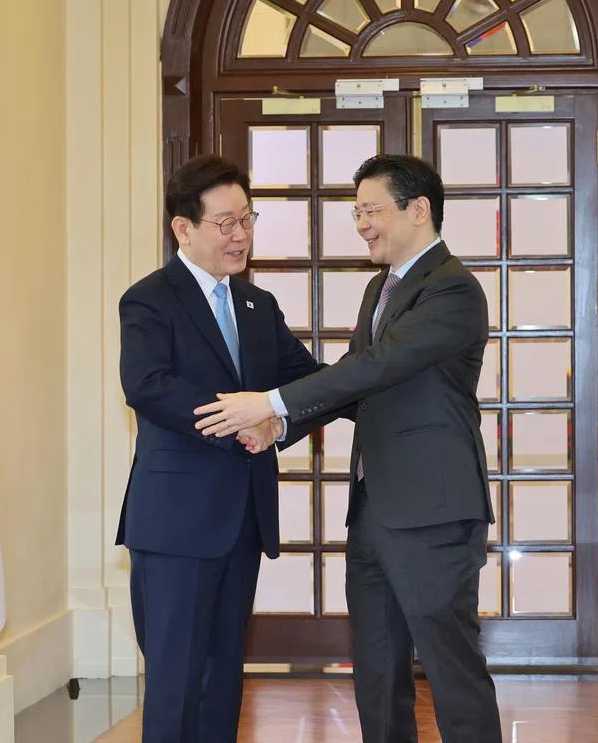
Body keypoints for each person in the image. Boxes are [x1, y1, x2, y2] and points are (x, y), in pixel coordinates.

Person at [193, 154, 503, 742]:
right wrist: (281, 428)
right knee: (378, 673)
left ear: (419, 210)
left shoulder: (453, 289)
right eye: (356, 211)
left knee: (451, 670)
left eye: (371, 210)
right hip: (374, 512)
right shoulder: (380, 288)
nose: (361, 224)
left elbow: (380, 366)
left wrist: (271, 402)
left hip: (434, 513)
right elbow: (358, 377)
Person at [116, 154, 325, 743]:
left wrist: (279, 422)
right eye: (224, 223)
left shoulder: (259, 307)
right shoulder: (149, 300)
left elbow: (307, 385)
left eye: (247, 219)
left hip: (242, 523)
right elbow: (148, 387)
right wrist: (241, 419)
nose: (241, 236)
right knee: (176, 681)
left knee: (224, 678)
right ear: (183, 229)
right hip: (177, 523)